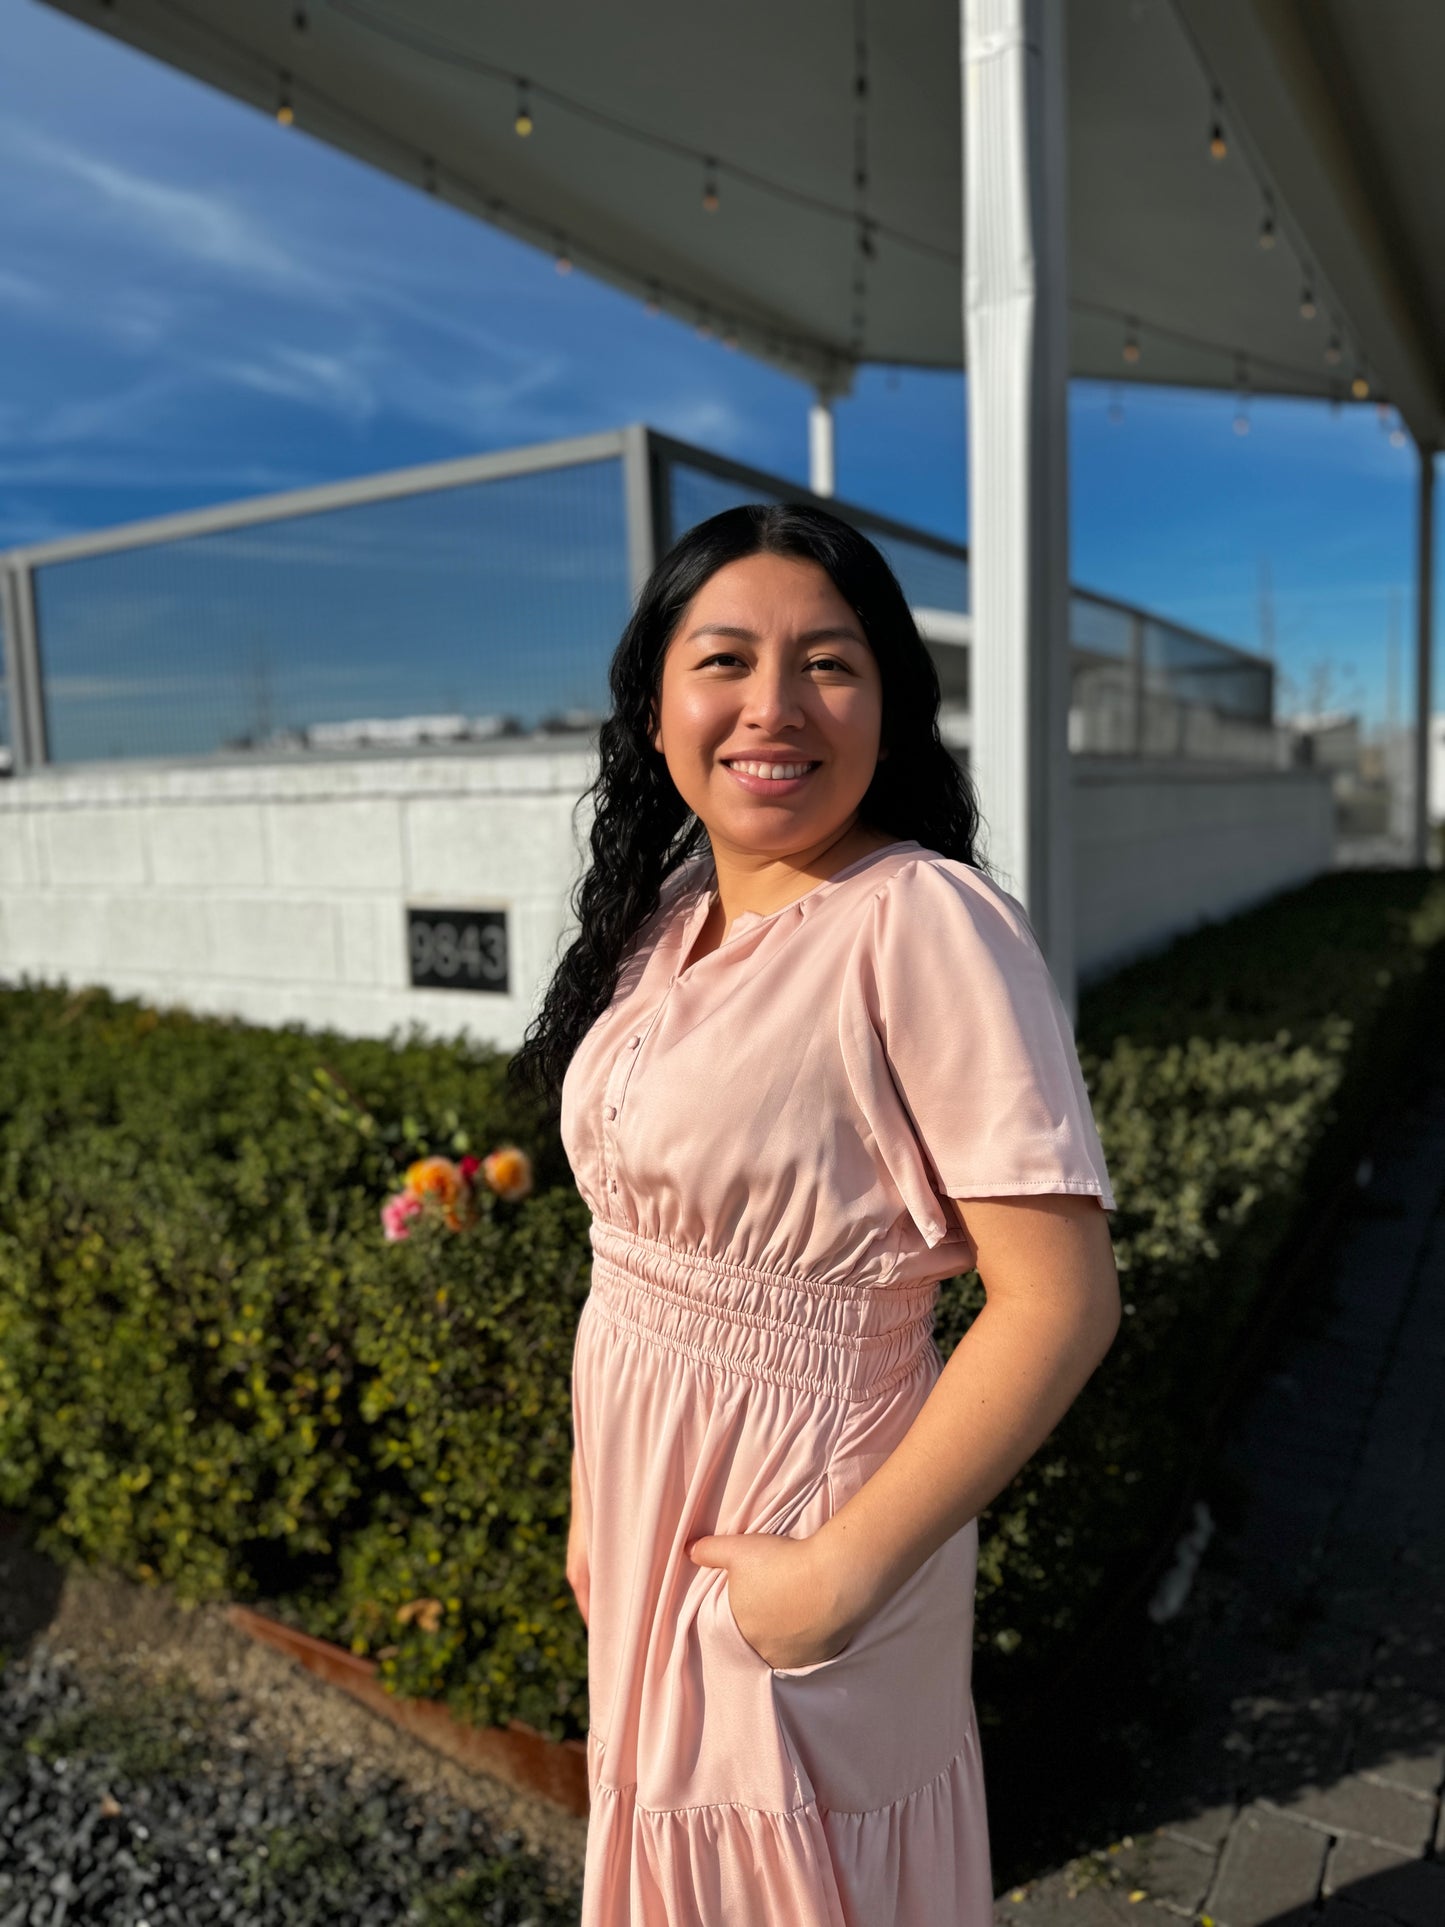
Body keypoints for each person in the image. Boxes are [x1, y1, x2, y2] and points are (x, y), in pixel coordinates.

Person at [509, 503, 1120, 1925]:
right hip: (654, 1502)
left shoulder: (923, 919)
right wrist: (597, 1496)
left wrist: (838, 1577)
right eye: (723, 659)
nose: (771, 707)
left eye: (827, 665)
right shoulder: (665, 916)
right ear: (655, 704)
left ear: (890, 706)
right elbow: (637, 1264)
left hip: (807, 1513)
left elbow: (1058, 1298)